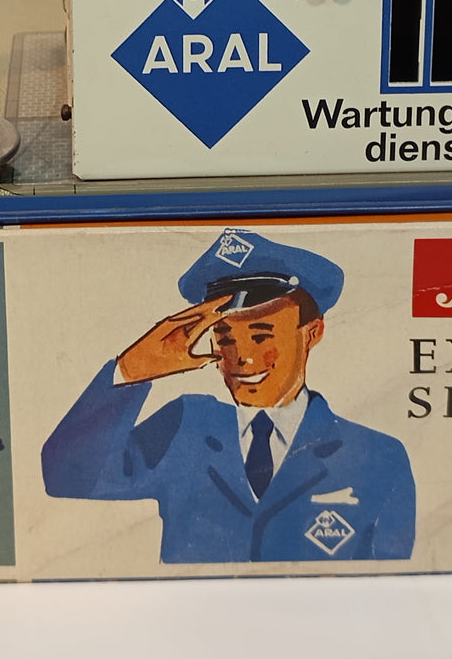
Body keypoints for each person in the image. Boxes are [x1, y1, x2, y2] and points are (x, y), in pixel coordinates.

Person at [42, 228, 415, 564]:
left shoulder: (378, 456)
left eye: (262, 335)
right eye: (224, 338)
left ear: (312, 333)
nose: (243, 358)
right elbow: (66, 477)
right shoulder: (188, 425)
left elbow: (395, 585)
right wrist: (132, 370)